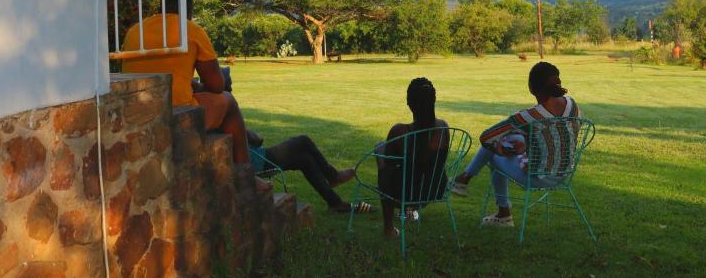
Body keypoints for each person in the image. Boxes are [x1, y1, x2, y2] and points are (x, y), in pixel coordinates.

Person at [120, 0, 257, 178]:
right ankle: (247, 174)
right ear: (189, 11)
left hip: (135, 110)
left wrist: (193, 84)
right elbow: (217, 85)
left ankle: (247, 137)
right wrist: (206, 83)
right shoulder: (191, 30)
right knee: (229, 102)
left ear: (161, 6)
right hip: (175, 113)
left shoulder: (135, 31)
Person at [450, 61, 579, 227]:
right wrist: (524, 143)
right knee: (514, 139)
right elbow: (558, 135)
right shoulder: (572, 105)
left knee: (494, 154)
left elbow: (486, 137)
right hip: (564, 172)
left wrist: (500, 148)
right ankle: (464, 181)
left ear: (532, 88)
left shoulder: (529, 116)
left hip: (538, 176)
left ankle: (497, 209)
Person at [376, 77, 449, 239]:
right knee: (407, 170)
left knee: (382, 158)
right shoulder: (444, 127)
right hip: (435, 189)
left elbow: (389, 164)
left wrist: (379, 150)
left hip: (404, 192)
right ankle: (410, 210)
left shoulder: (400, 132)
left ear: (409, 103)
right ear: (434, 100)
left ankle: (388, 228)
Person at [246, 131, 372, 214]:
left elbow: (257, 140)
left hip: (259, 159)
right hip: (261, 162)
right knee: (303, 141)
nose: (231, 88)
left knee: (306, 160)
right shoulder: (228, 104)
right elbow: (257, 139)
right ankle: (333, 176)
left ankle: (335, 203)